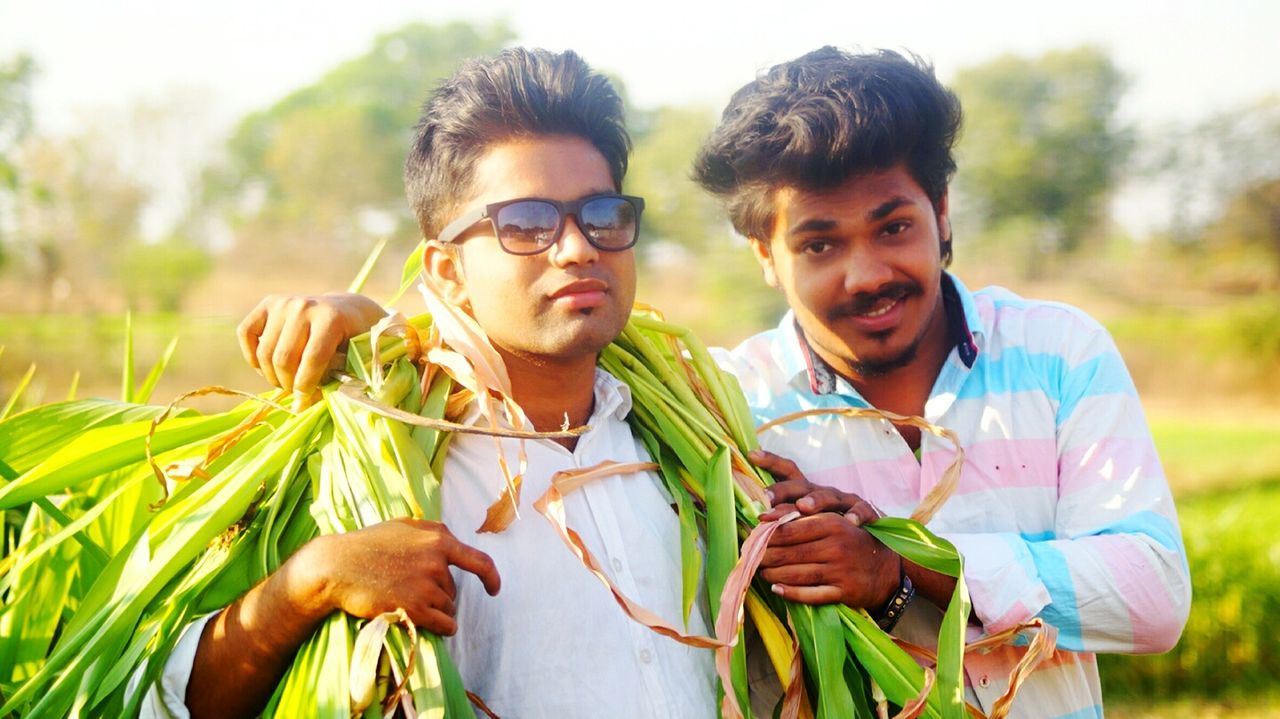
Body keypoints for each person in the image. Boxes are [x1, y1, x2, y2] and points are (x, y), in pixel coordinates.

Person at [240, 47, 1191, 718]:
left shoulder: (1059, 353)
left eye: (894, 226)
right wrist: (373, 327)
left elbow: (1152, 595)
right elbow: (537, 338)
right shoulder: (723, 409)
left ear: (941, 213)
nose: (865, 273)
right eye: (820, 241)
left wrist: (903, 570)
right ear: (764, 253)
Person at [144, 48, 719, 719]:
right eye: (527, 224)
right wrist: (310, 582)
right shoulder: (367, 463)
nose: (578, 247)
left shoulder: (702, 454)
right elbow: (158, 700)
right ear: (446, 273)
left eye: (602, 214)